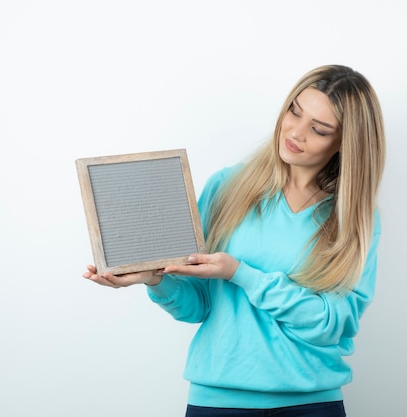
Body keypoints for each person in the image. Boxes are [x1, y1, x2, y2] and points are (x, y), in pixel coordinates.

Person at [83, 64, 386, 417]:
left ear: (344, 143)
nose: (295, 132)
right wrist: (155, 278)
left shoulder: (352, 220)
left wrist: (241, 273)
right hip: (217, 403)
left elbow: (332, 324)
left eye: (318, 129)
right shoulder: (227, 188)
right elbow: (199, 306)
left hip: (311, 404)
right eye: (294, 111)